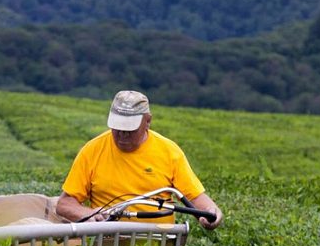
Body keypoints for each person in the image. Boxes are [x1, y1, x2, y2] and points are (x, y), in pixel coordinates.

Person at [56, 90, 223, 229]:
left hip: (158, 244)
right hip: (107, 244)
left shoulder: (169, 151)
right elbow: (64, 204)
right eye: (118, 128)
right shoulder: (92, 150)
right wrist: (88, 213)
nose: (122, 135)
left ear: (147, 121)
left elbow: (195, 197)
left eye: (130, 129)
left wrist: (210, 212)